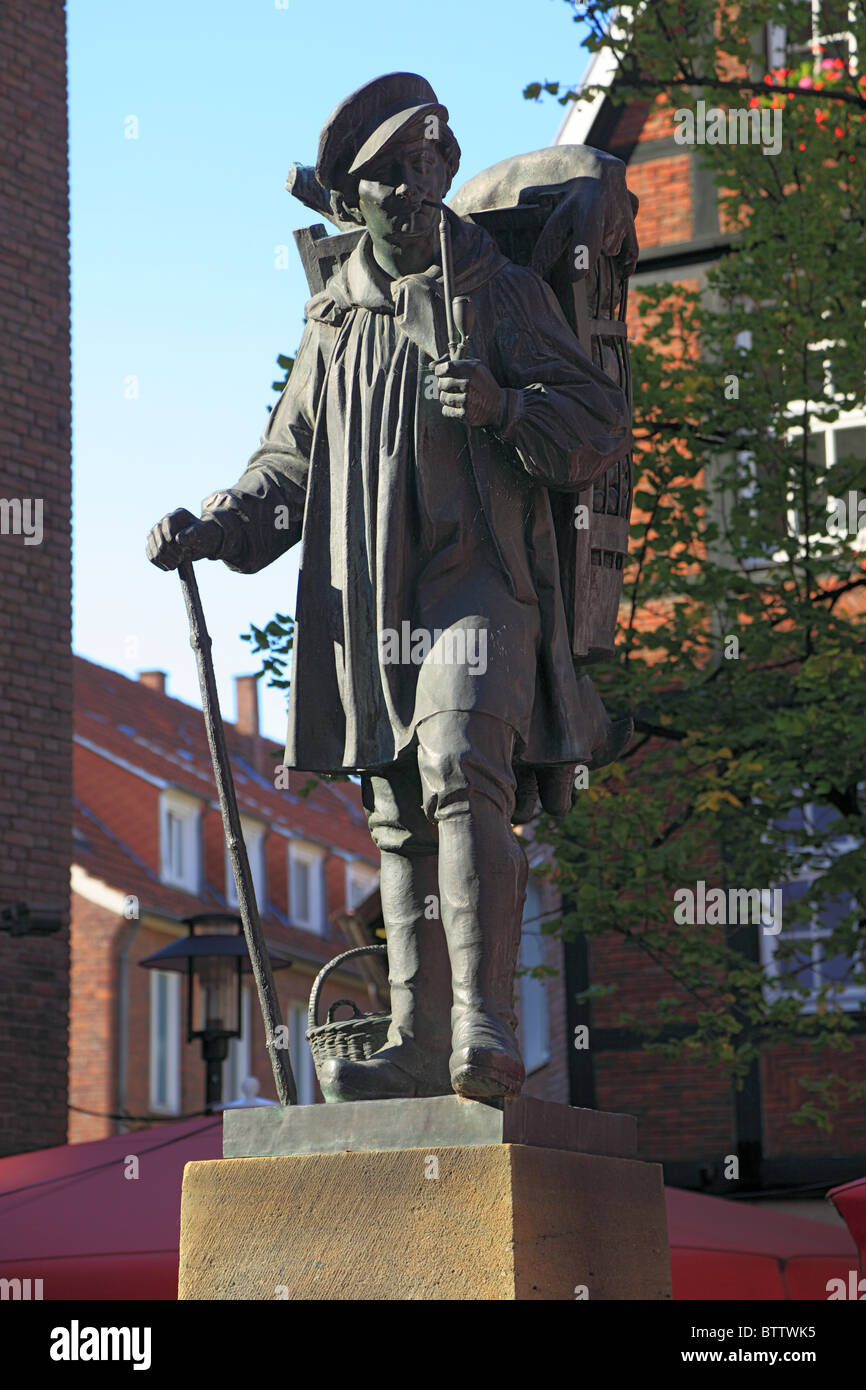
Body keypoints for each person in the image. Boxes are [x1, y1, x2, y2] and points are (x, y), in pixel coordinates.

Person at [146, 73, 632, 1103]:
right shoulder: (332, 321)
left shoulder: (500, 293)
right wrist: (218, 526)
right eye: (393, 172)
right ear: (350, 197)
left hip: (483, 585)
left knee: (459, 762)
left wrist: (503, 407)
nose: (419, 184)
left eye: (431, 162)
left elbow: (593, 425)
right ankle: (416, 1038)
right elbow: (285, 468)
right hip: (367, 600)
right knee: (400, 817)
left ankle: (482, 1024)